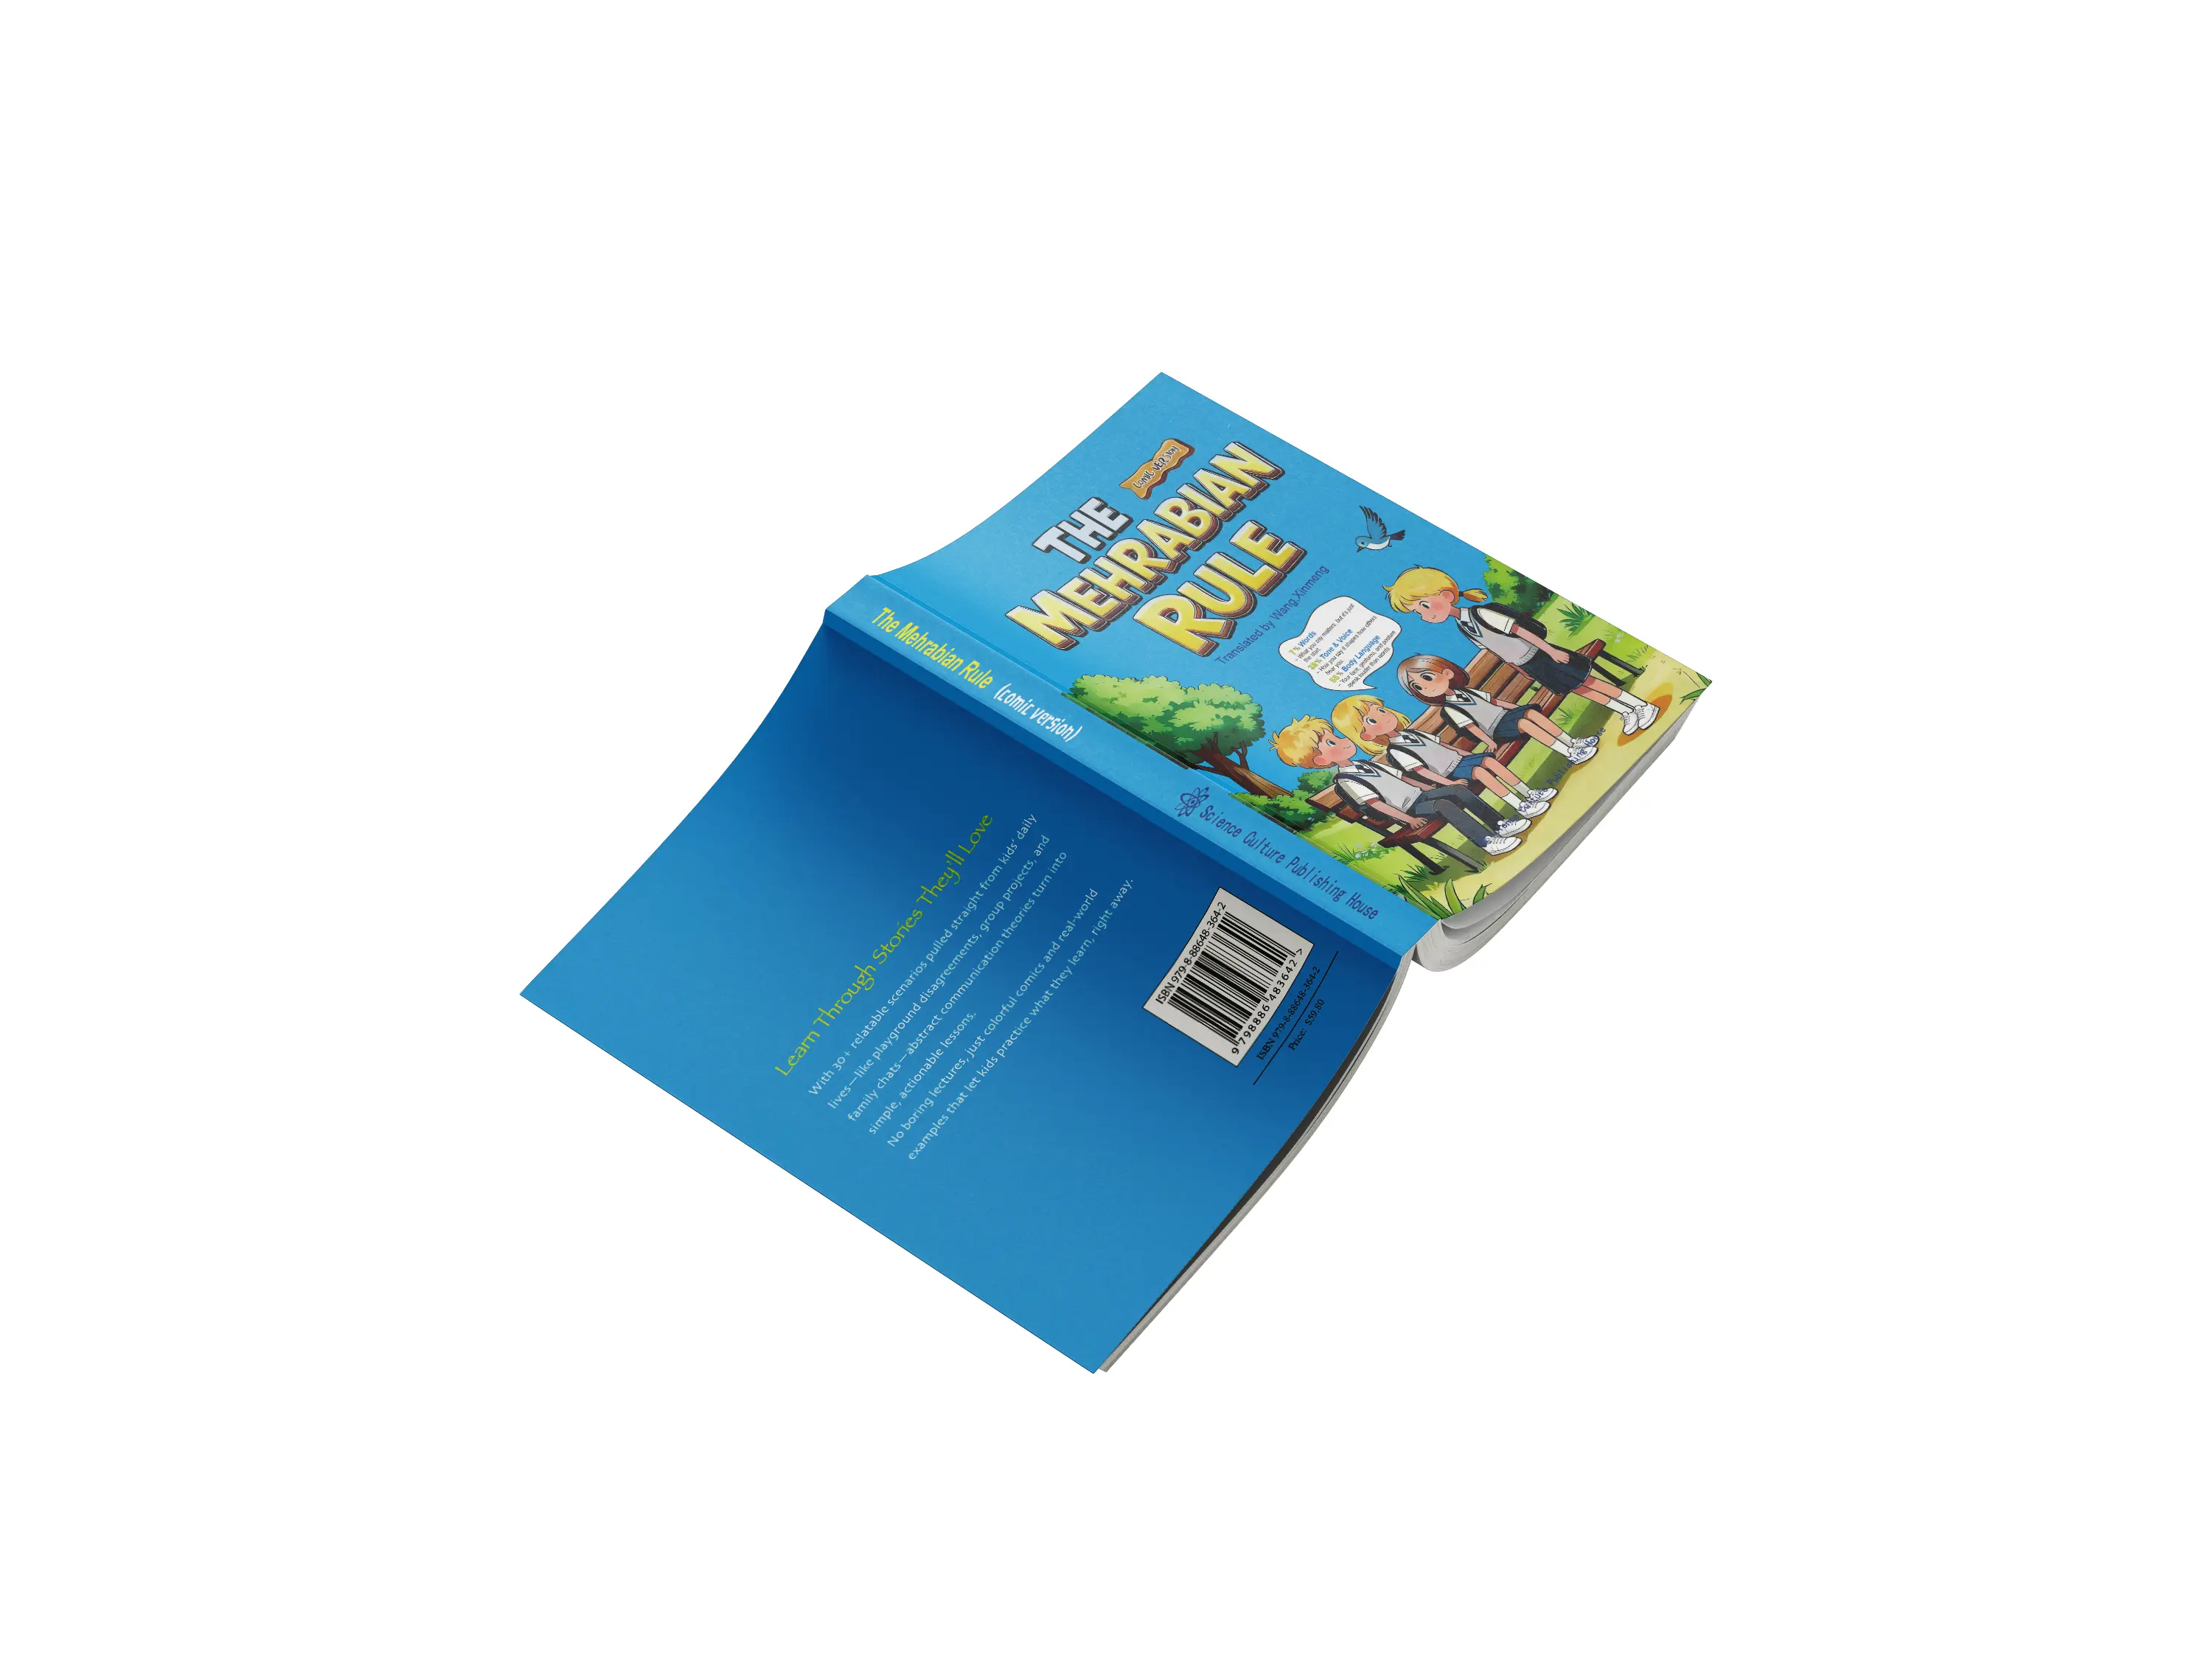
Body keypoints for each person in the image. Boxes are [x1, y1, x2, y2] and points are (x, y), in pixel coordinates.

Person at [1384, 567, 1659, 735]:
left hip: (1541, 654)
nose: (1424, 615)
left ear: (1445, 595)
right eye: (1417, 612)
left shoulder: (1481, 613)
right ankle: (1624, 711)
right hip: (1529, 664)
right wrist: (1519, 669)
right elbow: (1497, 650)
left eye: (1423, 605)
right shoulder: (1464, 627)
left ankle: (1640, 706)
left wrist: (1550, 651)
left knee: (1586, 681)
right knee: (1577, 688)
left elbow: (1518, 630)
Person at [1271, 716, 1522, 869]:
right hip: (1409, 809)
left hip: (1420, 796)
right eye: (1331, 743)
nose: (1342, 741)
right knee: (1444, 805)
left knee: (1457, 790)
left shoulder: (1366, 764)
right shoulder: (1347, 781)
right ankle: (1487, 842)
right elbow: (1377, 805)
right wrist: (1408, 820)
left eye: (1335, 737)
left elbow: (1401, 777)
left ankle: (1500, 824)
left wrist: (1433, 787)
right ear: (1321, 761)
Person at [1332, 694, 1554, 823]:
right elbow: (1423, 772)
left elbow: (1445, 746)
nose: (1384, 717)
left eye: (1381, 711)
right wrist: (1449, 783)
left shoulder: (1413, 733)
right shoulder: (1396, 751)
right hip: (1450, 773)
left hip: (1461, 761)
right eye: (1372, 721)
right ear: (1367, 735)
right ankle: (1519, 804)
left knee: (1489, 762)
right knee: (1480, 771)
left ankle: (1528, 793)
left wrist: (1473, 755)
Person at [1395, 653, 1599, 765]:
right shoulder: (1449, 710)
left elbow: (1494, 701)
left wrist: (1518, 708)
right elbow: (1472, 727)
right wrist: (1489, 741)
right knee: (1524, 723)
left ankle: (1571, 741)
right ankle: (1567, 752)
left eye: (1427, 678)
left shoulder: (1467, 692)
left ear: (1447, 673)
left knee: (1530, 713)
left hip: (1505, 716)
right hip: (1495, 730)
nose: (1425, 687)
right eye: (1418, 687)